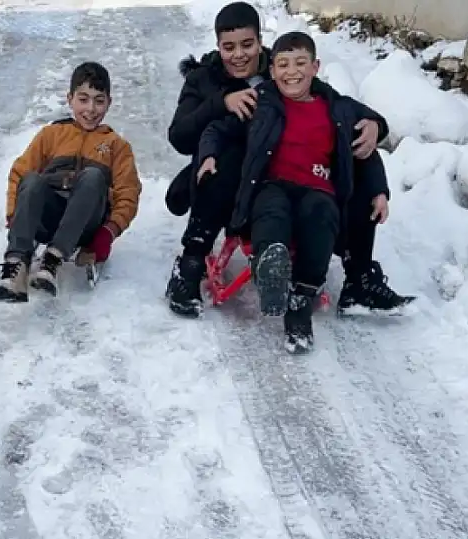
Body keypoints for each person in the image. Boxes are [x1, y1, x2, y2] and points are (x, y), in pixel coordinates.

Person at [163, 1, 411, 318]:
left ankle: (359, 279)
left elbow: (333, 106)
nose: (239, 54)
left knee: (354, 154)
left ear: (260, 42)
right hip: (223, 176)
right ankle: (190, 262)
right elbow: (180, 137)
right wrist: (222, 102)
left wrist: (375, 124)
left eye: (247, 45)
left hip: (286, 177)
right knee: (232, 154)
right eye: (229, 47)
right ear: (218, 47)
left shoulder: (282, 68)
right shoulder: (204, 79)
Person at [196, 32, 394, 352]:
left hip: (319, 188)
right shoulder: (261, 102)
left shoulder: (337, 107)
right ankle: (270, 270)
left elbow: (369, 139)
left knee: (322, 216)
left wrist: (379, 187)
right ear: (272, 70)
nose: (292, 72)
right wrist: (209, 155)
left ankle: (302, 296)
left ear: (315, 66)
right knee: (271, 212)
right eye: (283, 64)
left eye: (301, 63)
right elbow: (218, 128)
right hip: (271, 184)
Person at [0, 61, 143, 302]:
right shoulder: (52, 135)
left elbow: (128, 193)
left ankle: (53, 259)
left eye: (99, 101)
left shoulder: (116, 146)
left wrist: (108, 233)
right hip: (48, 218)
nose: (91, 109)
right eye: (83, 99)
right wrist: (14, 215)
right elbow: (20, 172)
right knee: (32, 179)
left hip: (85, 225)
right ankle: (16, 266)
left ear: (109, 103)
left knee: (92, 176)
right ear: (69, 99)